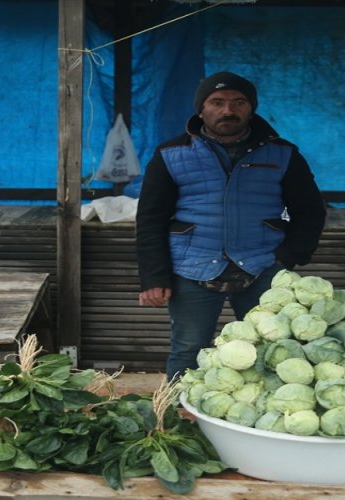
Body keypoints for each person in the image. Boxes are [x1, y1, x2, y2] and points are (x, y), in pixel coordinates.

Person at [135, 71, 327, 379]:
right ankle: (176, 417)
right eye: (217, 102)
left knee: (271, 350)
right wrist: (153, 276)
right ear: (201, 109)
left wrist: (288, 257)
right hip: (192, 267)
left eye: (239, 102)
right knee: (188, 350)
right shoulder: (171, 155)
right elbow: (150, 220)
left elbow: (310, 211)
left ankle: (261, 424)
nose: (228, 110)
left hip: (262, 267)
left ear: (251, 109)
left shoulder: (282, 153)